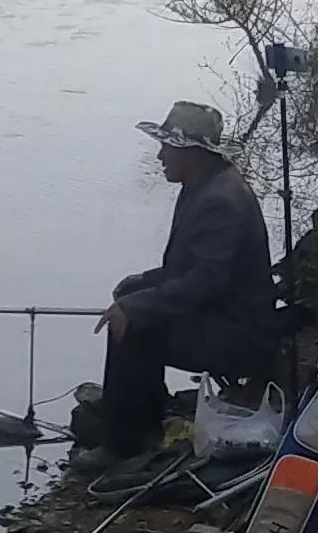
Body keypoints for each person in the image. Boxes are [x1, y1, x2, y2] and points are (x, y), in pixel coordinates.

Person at [80, 100, 278, 480]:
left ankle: (123, 444)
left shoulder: (219, 201)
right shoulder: (204, 185)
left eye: (167, 148)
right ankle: (146, 424)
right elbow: (191, 270)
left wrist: (136, 307)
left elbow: (205, 282)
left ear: (192, 154)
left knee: (132, 327)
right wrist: (143, 283)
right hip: (222, 315)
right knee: (133, 305)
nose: (159, 156)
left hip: (239, 334)